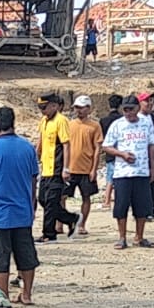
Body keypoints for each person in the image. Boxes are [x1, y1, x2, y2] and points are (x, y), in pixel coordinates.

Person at [0, 106, 40, 304]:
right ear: (13, 123)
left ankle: (4, 297)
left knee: (0, 259)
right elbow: (33, 180)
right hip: (23, 213)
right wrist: (32, 204)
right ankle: (27, 295)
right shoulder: (27, 147)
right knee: (26, 256)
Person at [102, 94, 154, 250]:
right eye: (125, 110)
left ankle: (139, 237)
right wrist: (122, 154)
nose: (129, 113)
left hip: (141, 171)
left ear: (137, 108)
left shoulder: (146, 123)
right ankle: (122, 237)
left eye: (131, 109)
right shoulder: (117, 125)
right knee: (121, 206)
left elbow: (151, 145)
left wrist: (152, 168)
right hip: (122, 173)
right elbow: (106, 146)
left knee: (142, 207)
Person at [34, 94, 78, 242]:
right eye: (40, 108)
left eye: (44, 108)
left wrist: (66, 168)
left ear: (54, 105)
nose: (42, 111)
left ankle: (49, 233)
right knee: (43, 200)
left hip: (57, 167)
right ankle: (71, 218)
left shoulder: (61, 121)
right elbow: (40, 140)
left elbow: (66, 145)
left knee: (52, 201)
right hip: (46, 167)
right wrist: (35, 156)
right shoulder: (44, 121)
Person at [64, 95, 103, 236]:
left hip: (86, 168)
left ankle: (81, 224)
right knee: (63, 196)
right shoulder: (69, 124)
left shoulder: (94, 126)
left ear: (88, 109)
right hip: (70, 167)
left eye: (81, 108)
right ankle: (61, 223)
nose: (78, 110)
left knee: (86, 197)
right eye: (76, 108)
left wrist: (94, 169)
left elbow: (97, 149)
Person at [98, 93, 123, 210]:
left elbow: (102, 137)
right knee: (120, 179)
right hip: (122, 152)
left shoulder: (103, 120)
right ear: (121, 106)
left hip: (109, 150)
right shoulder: (122, 120)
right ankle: (120, 200)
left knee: (109, 178)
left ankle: (107, 201)